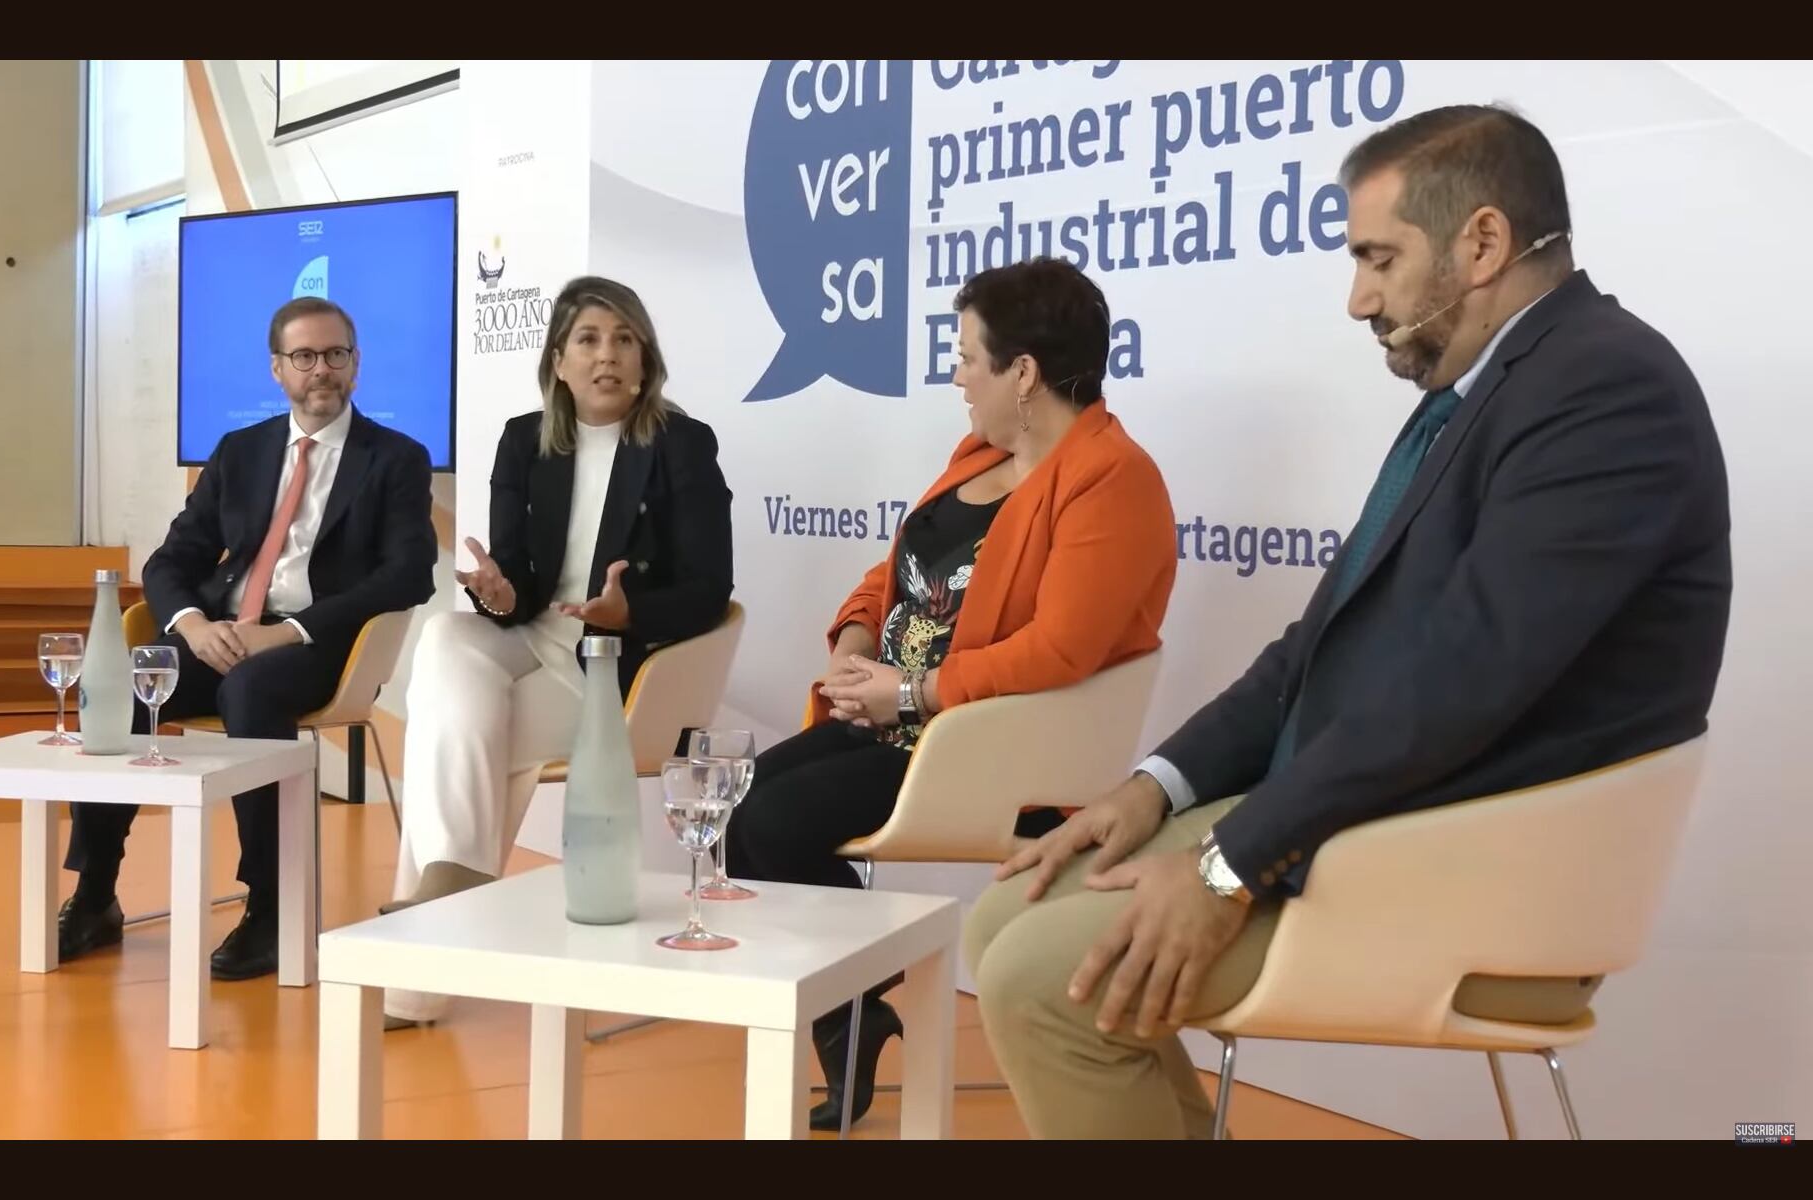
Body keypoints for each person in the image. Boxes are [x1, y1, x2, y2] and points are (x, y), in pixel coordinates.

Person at [965, 103, 1733, 1139]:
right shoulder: (1480, 394)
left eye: (1379, 258)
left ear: (1484, 242)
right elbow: (1311, 653)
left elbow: (1461, 684)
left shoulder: (1606, 390)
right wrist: (1155, 790)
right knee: (1001, 920)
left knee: (1038, 978)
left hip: (1470, 868)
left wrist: (1228, 863)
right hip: (1364, 818)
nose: (1357, 297)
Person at [723, 256, 1179, 1129]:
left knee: (774, 825)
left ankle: (852, 1010)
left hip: (984, 748)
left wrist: (916, 692)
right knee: (746, 802)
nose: (958, 377)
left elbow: (1060, 650)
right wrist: (858, 640)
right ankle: (855, 1014)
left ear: (1025, 373)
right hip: (901, 723)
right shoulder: (979, 454)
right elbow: (897, 572)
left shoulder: (1112, 477)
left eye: (969, 356)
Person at [381, 276, 734, 1029]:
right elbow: (518, 580)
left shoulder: (682, 443)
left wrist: (629, 610)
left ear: (645, 358)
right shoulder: (524, 439)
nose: (607, 356)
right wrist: (498, 592)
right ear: (559, 360)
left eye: (624, 339)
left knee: (465, 734)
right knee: (446, 639)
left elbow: (711, 588)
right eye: (589, 339)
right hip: (531, 640)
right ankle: (458, 894)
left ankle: (432, 936)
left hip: (615, 674)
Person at [59, 297, 438, 980]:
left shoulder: (396, 459)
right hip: (221, 634)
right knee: (118, 682)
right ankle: (94, 894)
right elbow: (169, 561)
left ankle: (270, 906)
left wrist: (286, 631)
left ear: (356, 365)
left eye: (336, 355)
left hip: (321, 645)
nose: (321, 370)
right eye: (305, 357)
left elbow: (407, 574)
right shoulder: (241, 451)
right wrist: (194, 627)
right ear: (277, 369)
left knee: (252, 690)